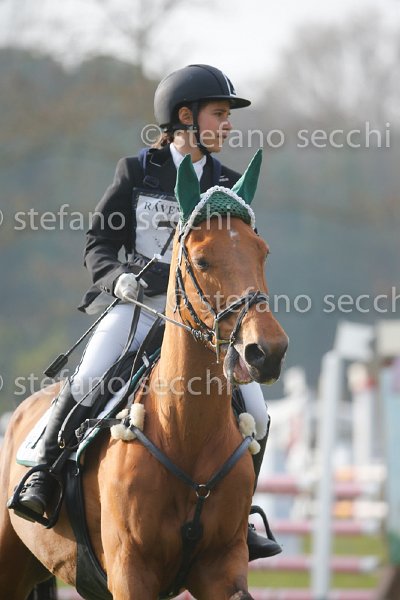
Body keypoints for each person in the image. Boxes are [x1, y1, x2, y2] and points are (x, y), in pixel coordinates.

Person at [15, 64, 281, 559]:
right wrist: (115, 276)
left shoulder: (227, 186)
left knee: (259, 415)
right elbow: (99, 241)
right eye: (219, 114)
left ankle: (239, 515)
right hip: (139, 303)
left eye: (228, 116)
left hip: (205, 321)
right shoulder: (137, 172)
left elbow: (240, 259)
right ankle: (43, 477)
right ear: (186, 117)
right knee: (88, 377)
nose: (228, 125)